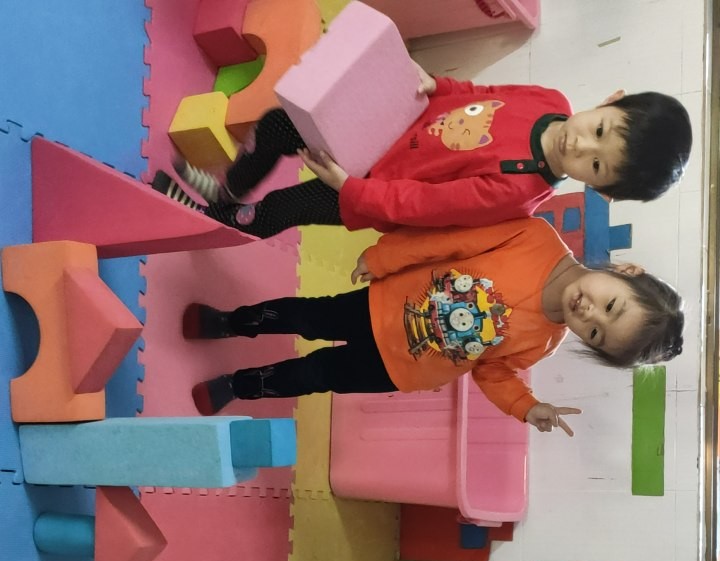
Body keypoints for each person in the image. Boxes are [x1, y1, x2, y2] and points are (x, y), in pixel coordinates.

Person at [184, 216, 683, 430]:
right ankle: (234, 321)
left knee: (314, 374)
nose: (589, 315)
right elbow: (450, 242)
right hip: (382, 305)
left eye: (595, 335)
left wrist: (526, 406)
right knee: (305, 315)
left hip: (401, 369)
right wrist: (384, 257)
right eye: (611, 306)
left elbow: (493, 372)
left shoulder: (543, 342)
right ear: (624, 272)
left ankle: (240, 385)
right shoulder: (535, 236)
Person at [152, 65, 692, 239]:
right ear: (609, 102)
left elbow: (425, 207)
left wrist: (351, 188)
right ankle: (230, 188)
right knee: (277, 125)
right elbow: (482, 94)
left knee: (282, 209)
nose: (581, 144)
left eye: (595, 164)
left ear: (597, 187)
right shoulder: (550, 100)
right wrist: (440, 85)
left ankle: (212, 220)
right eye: (600, 129)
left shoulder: (519, 191)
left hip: (368, 192)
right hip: (379, 131)